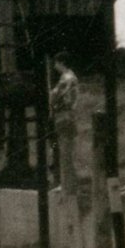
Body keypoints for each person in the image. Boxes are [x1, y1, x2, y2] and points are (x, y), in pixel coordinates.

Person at [50, 51, 79, 193]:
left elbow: (54, 96)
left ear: (62, 63)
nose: (54, 66)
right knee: (67, 152)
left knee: (65, 152)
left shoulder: (66, 78)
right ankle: (69, 184)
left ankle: (68, 186)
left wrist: (50, 96)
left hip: (63, 116)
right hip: (68, 116)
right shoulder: (71, 77)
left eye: (56, 63)